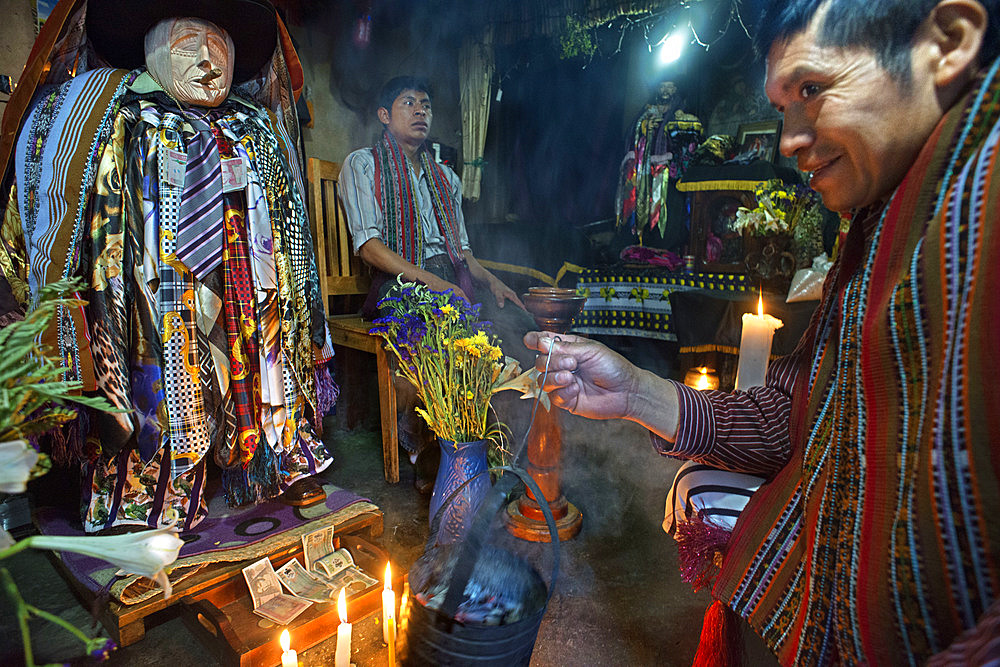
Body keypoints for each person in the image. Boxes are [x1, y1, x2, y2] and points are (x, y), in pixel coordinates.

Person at [526, 0, 1000, 663]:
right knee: (698, 483)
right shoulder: (881, 227)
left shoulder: (981, 198)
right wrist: (635, 393)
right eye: (782, 108)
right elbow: (793, 416)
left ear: (947, 43)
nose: (788, 140)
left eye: (812, 89)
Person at [0, 0, 335, 533]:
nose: (207, 58)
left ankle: (266, 457)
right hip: (152, 284)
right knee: (161, 362)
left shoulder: (254, 126)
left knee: (256, 342)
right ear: (151, 47)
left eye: (219, 44)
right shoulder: (113, 112)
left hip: (245, 279)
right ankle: (151, 490)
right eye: (187, 42)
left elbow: (288, 227)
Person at [340, 76, 535, 483]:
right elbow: (369, 247)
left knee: (518, 328)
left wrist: (493, 281)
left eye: (425, 104)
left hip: (452, 277)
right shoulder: (364, 163)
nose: (420, 111)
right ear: (383, 116)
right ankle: (431, 449)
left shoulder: (446, 177)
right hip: (400, 281)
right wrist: (431, 281)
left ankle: (501, 445)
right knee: (432, 330)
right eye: (408, 103)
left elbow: (461, 251)